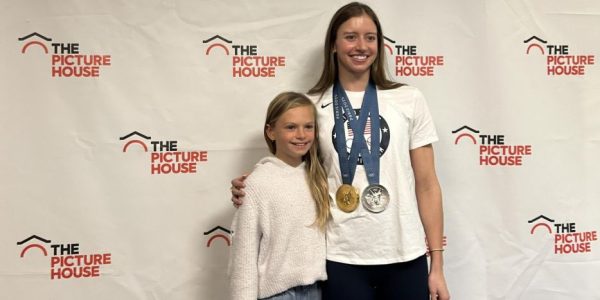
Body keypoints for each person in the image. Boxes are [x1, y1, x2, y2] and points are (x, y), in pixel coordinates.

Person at [231, 2, 450, 299]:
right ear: (333, 44)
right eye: (350, 37)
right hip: (340, 258)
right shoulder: (313, 104)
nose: (361, 46)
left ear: (379, 44)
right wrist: (254, 187)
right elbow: (294, 170)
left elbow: (427, 185)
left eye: (370, 37)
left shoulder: (408, 99)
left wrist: (436, 264)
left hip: (405, 255)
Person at [228, 92, 330, 300]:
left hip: (317, 292)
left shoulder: (319, 178)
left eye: (308, 126)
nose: (301, 134)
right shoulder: (256, 184)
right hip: (279, 295)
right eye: (291, 127)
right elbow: (244, 258)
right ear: (271, 132)